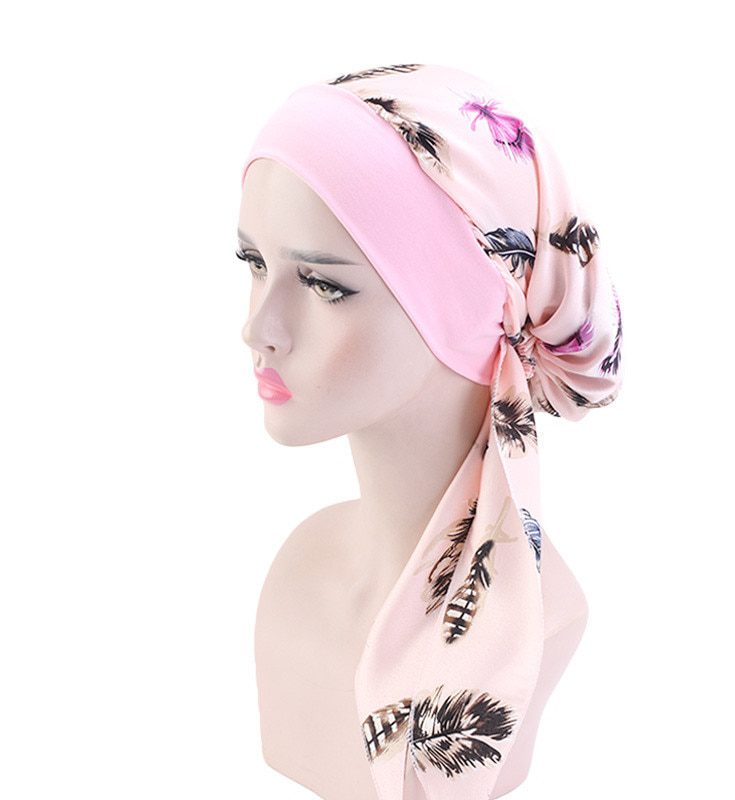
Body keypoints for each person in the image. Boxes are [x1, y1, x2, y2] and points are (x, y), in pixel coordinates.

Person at [237, 63, 624, 800]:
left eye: (324, 284)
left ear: (467, 308)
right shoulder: (298, 565)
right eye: (253, 263)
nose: (259, 327)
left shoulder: (538, 622)